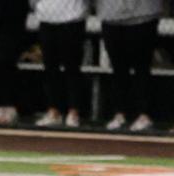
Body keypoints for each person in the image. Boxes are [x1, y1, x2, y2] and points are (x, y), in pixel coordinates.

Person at [98, 0, 161, 132]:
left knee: (142, 67)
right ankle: (120, 113)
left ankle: (144, 115)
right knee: (118, 69)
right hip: (112, 17)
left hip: (143, 16)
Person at [35, 0, 88, 128]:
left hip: (72, 18)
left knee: (72, 67)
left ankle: (74, 112)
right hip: (46, 18)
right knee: (50, 68)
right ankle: (54, 111)